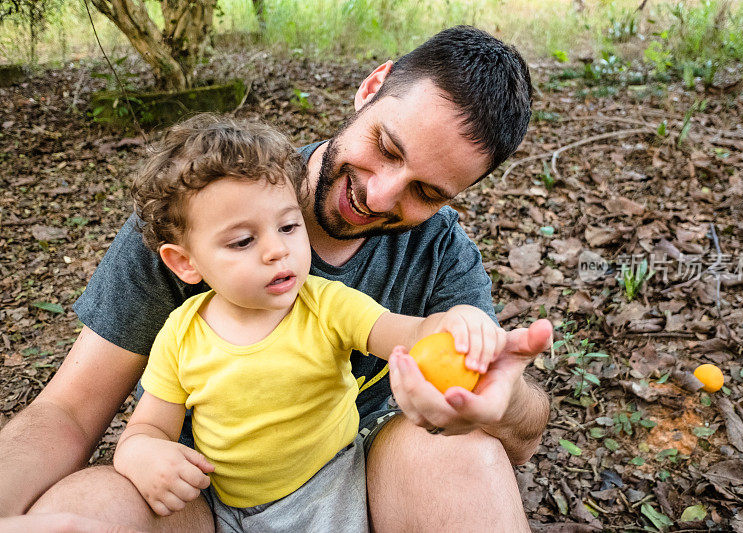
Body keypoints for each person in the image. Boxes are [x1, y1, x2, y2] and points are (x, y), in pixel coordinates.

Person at [2, 25, 552, 532]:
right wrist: (141, 450)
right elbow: (71, 411)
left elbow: (450, 356)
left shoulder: (437, 252)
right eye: (385, 147)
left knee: (461, 451)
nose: (380, 196)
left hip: (356, 484)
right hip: (212, 496)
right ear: (372, 87)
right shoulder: (202, 203)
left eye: (426, 192)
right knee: (90, 506)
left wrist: (495, 389)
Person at [112, 115, 506, 532]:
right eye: (243, 240)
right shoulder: (181, 333)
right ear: (185, 262)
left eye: (287, 226)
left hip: (336, 491)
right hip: (229, 512)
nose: (276, 251)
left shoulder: (325, 304)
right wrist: (141, 453)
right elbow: (150, 425)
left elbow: (405, 333)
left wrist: (454, 320)